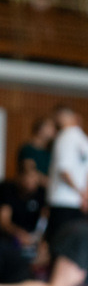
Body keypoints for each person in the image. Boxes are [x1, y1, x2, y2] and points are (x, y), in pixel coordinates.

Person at [45, 105, 88, 248]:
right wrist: (84, 195)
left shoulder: (65, 137)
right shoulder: (83, 139)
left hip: (62, 200)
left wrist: (80, 192)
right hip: (78, 202)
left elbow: (64, 171)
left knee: (58, 244)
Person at [17, 117, 55, 188]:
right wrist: (50, 183)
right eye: (49, 126)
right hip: (34, 189)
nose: (53, 130)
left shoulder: (50, 151)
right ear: (40, 130)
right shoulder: (28, 149)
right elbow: (30, 171)